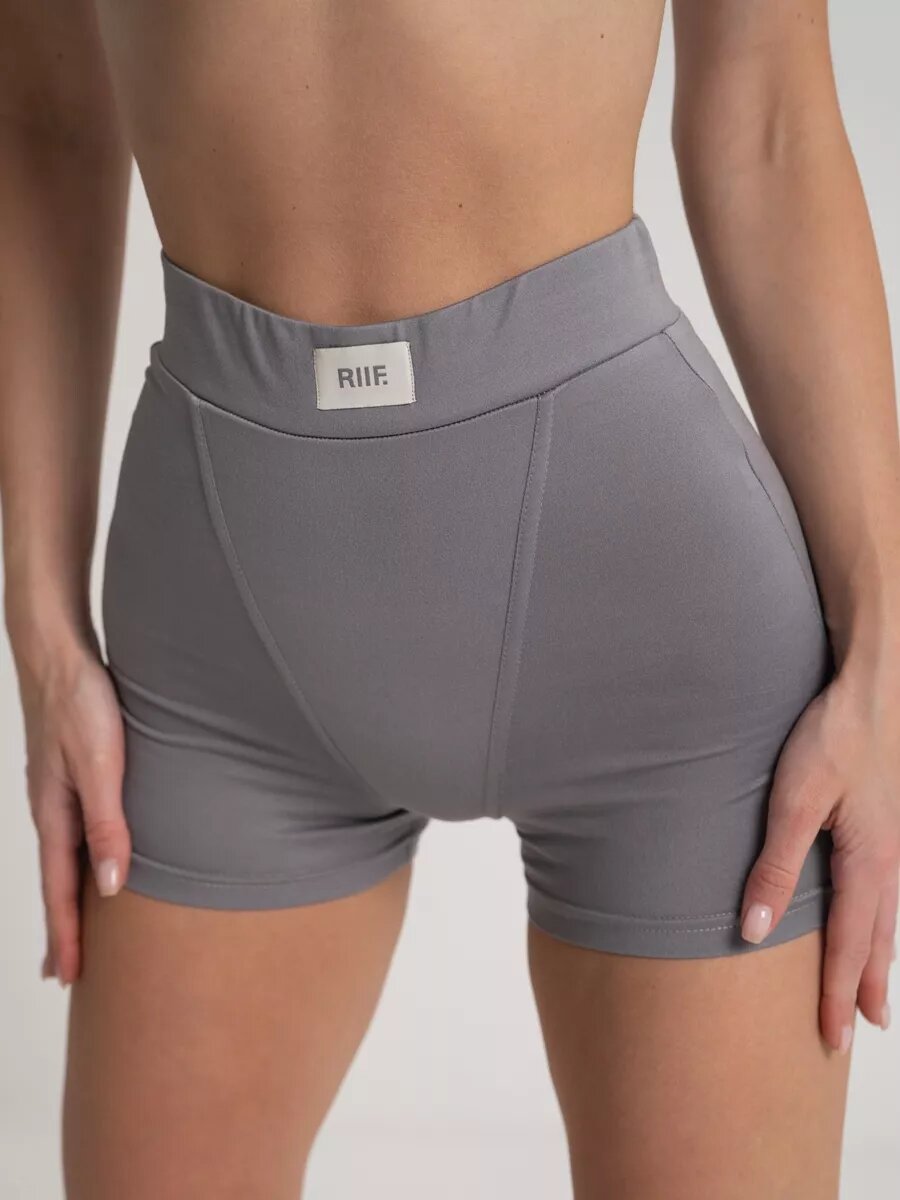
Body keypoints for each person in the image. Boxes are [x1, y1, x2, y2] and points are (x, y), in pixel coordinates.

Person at [1, 1, 898, 1197]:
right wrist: (41, 629)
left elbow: (770, 115)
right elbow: (44, 119)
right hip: (220, 634)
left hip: (648, 616)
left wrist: (884, 653)